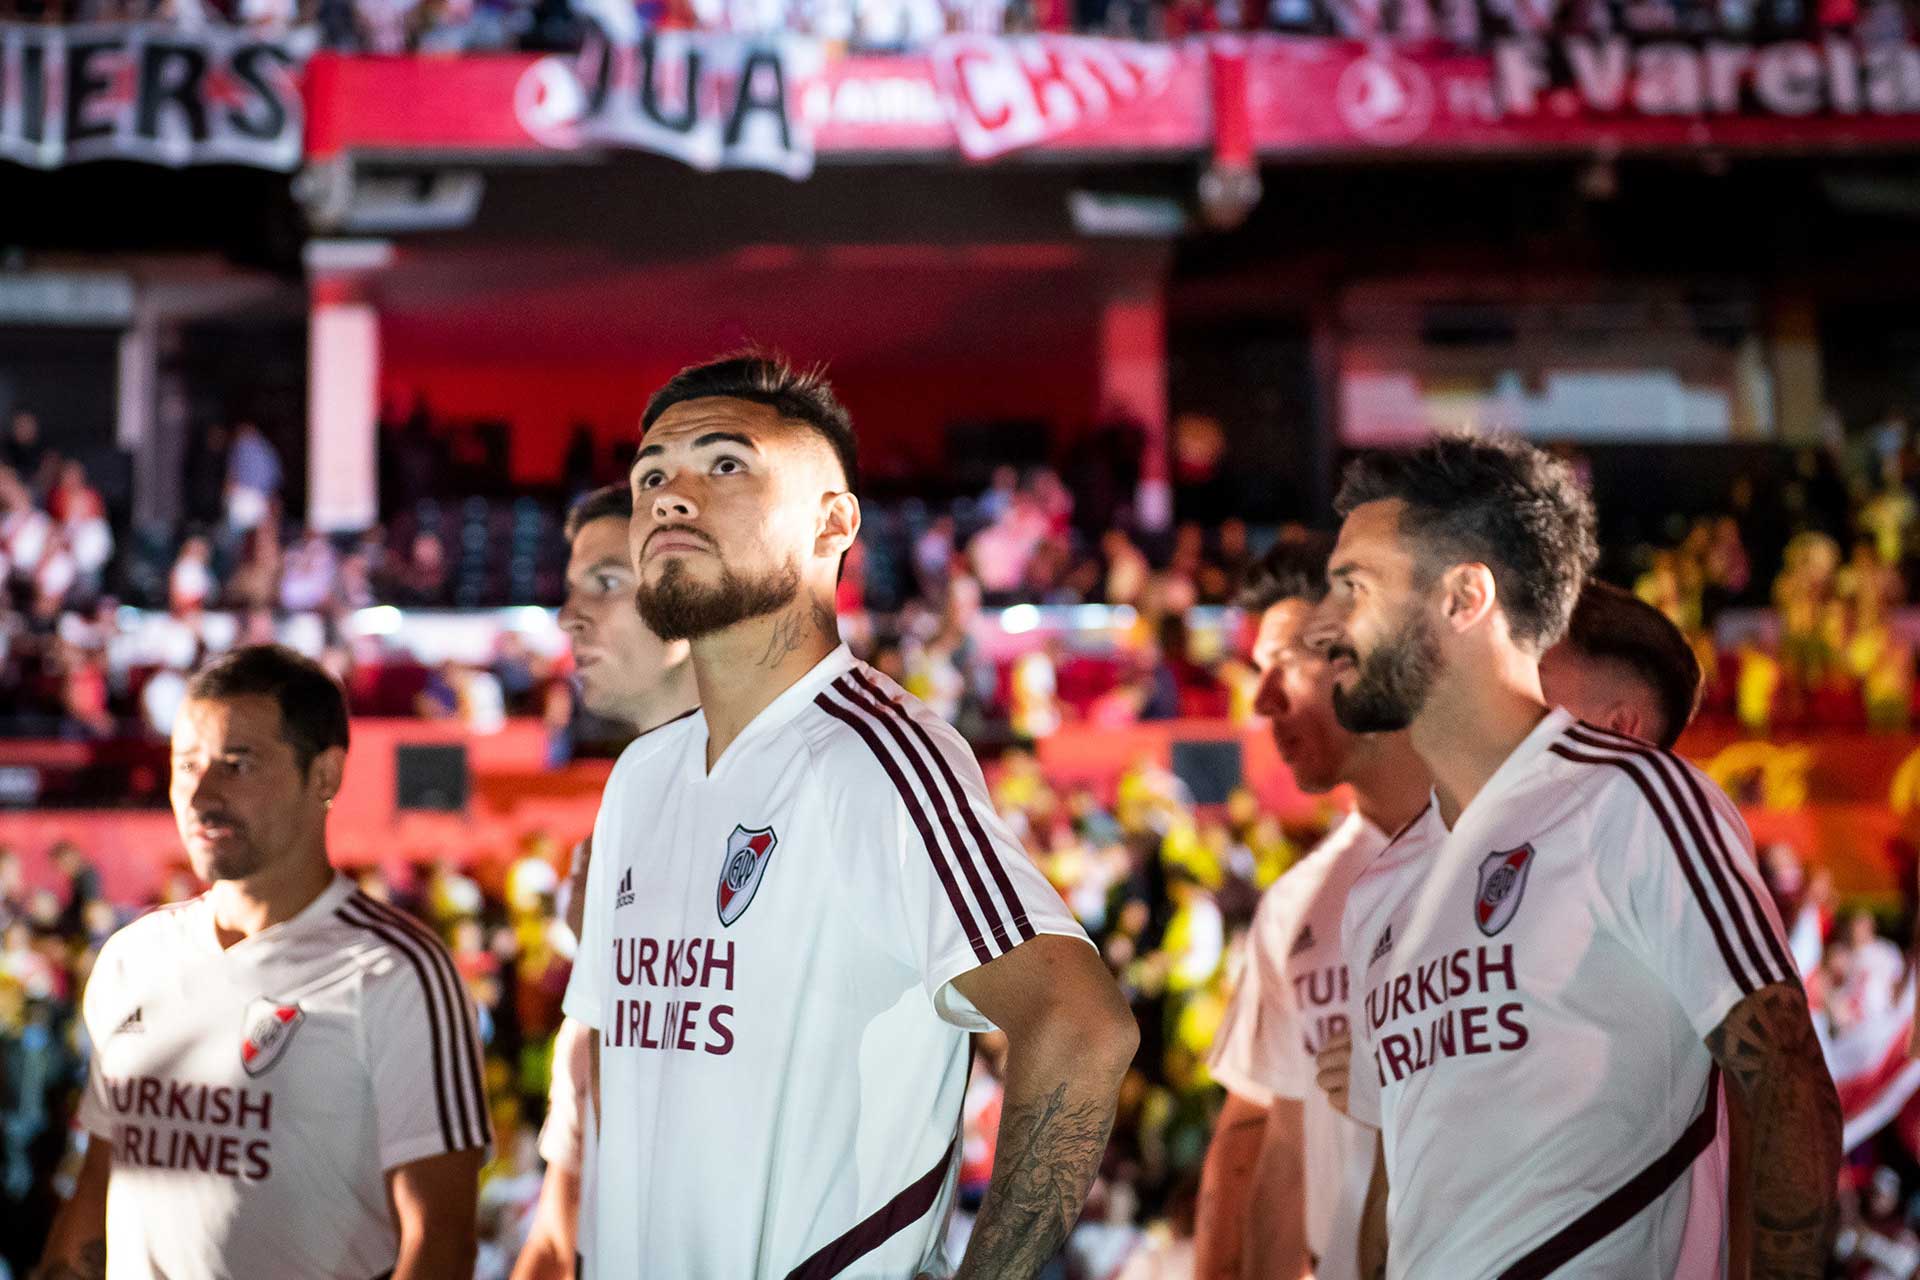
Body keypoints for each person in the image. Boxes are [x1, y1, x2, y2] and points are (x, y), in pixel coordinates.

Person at [563, 351, 1137, 1279]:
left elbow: (1082, 1027)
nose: (670, 496)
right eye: (651, 476)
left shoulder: (874, 755)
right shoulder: (637, 779)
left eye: (725, 465)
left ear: (834, 522)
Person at [1315, 434, 1839, 1278]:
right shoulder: (1382, 888)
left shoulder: (1632, 800)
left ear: (1464, 598)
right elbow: (1397, 1187)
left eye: (1358, 588)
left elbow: (1782, 1075)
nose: (1327, 623)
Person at [36, 644, 489, 1280]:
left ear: (325, 775)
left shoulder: (396, 971)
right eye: (186, 764)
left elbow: (441, 1239)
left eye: (238, 764)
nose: (201, 793)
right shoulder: (132, 958)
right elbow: (99, 1188)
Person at [1196, 534, 1427, 1280]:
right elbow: (1267, 1149)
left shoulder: (1510, 853)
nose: (1261, 703)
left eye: (1282, 666)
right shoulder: (1296, 906)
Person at [511, 484, 699, 1280]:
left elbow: (1076, 1024)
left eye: (607, 582)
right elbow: (560, 1236)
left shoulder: (842, 784)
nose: (569, 616)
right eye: (571, 587)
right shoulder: (623, 817)